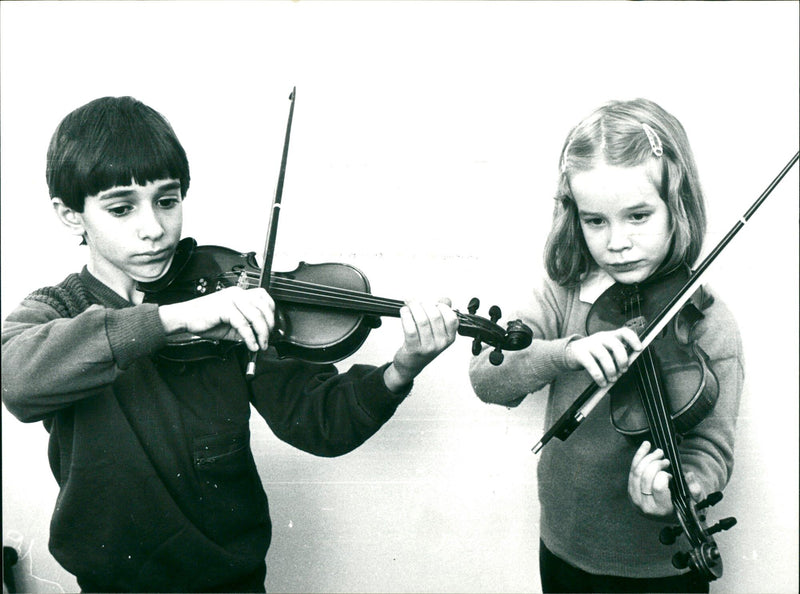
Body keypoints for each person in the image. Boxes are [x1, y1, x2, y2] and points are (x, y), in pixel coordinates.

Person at [1, 96, 459, 593]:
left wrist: (401, 368)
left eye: (167, 200)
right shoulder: (61, 307)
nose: (154, 228)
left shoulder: (227, 291)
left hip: (230, 582)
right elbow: (15, 378)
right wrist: (173, 319)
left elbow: (319, 421)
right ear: (71, 216)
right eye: (120, 208)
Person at [468, 99, 743, 593]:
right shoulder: (565, 291)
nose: (616, 242)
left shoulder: (706, 321)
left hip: (660, 565)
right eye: (596, 221)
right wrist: (566, 352)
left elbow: (712, 449)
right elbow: (489, 380)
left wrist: (683, 488)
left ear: (676, 206)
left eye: (637, 216)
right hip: (564, 546)